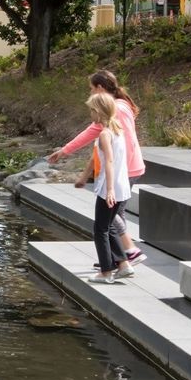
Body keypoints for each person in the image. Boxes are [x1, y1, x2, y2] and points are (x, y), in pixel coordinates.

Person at [50, 70, 147, 266]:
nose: (91, 92)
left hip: (125, 168)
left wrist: (65, 151)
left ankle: (129, 252)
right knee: (115, 214)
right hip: (127, 167)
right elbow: (93, 133)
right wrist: (66, 152)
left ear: (100, 88)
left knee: (110, 217)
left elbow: (121, 141)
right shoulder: (117, 107)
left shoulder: (117, 109)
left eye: (92, 88)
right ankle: (117, 257)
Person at [76, 92, 133, 284]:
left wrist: (109, 190)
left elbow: (109, 161)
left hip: (110, 188)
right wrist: (84, 177)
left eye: (91, 110)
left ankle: (106, 272)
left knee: (100, 229)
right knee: (109, 226)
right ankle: (123, 265)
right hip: (122, 187)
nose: (90, 114)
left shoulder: (105, 134)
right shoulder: (118, 130)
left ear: (98, 112)